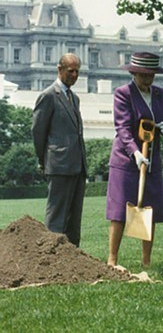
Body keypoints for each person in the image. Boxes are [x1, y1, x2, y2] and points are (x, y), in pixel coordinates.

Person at [106, 52, 163, 267]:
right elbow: (123, 128)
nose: (147, 79)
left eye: (151, 75)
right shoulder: (123, 93)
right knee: (120, 210)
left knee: (149, 209)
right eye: (143, 75)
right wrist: (135, 152)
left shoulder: (160, 94)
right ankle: (112, 259)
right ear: (134, 73)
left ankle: (146, 261)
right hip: (126, 160)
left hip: (152, 160)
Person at [32, 53, 88, 247]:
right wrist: (44, 160)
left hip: (78, 166)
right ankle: (50, 257)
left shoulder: (75, 98)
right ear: (59, 69)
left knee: (74, 217)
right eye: (70, 71)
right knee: (56, 216)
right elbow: (38, 132)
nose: (74, 75)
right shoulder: (48, 96)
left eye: (77, 71)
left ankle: (73, 258)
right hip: (58, 165)